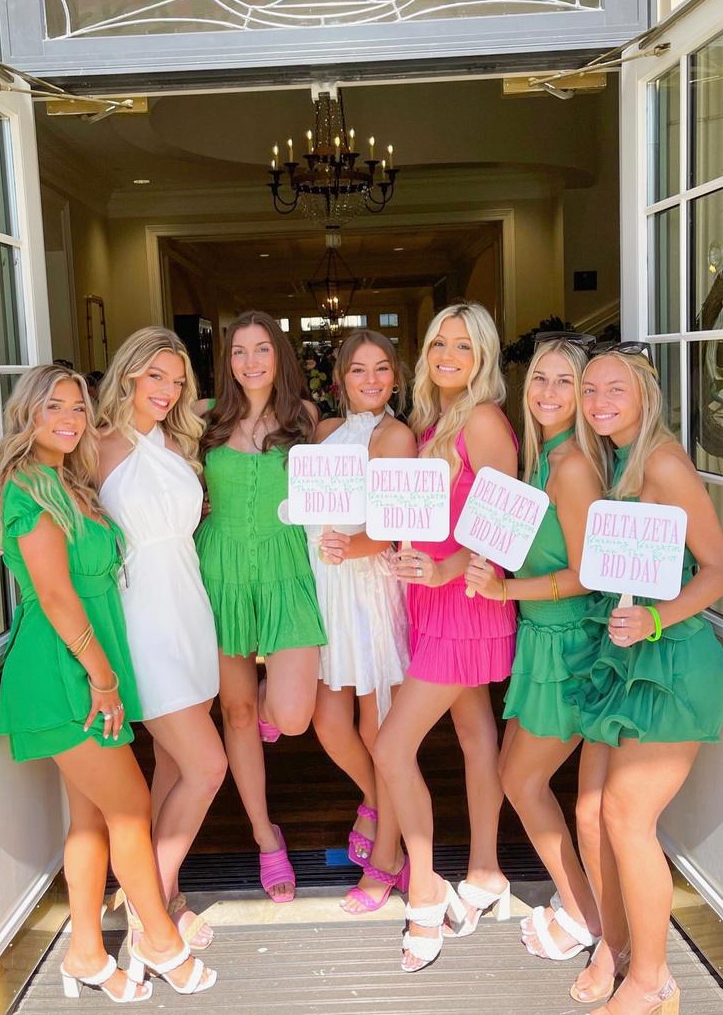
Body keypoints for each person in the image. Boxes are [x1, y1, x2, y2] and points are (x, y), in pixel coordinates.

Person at [0, 365, 215, 1002]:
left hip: (84, 666)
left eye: (77, 408)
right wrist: (104, 679)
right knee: (131, 808)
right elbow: (57, 597)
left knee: (90, 821)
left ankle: (86, 953)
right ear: (26, 415)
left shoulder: (67, 480)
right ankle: (159, 942)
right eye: (53, 407)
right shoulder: (26, 485)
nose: (69, 419)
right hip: (64, 670)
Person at [567, 345, 723, 1015]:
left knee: (627, 817)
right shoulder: (618, 457)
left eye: (615, 389)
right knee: (591, 812)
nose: (599, 401)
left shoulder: (662, 461)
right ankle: (619, 946)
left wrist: (656, 618)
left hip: (670, 660)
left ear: (645, 395)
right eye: (590, 389)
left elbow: (718, 568)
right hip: (626, 658)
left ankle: (653, 979)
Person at [373, 302, 517, 973]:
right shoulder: (435, 421)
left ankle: (426, 890)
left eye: (463, 345)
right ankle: (486, 871)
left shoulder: (483, 420)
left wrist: (441, 569)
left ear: (483, 355)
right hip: (433, 599)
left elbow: (502, 529)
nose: (448, 355)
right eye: (438, 343)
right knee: (474, 734)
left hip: (464, 603)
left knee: (391, 744)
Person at [465, 334, 604, 962]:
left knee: (522, 780)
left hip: (569, 641)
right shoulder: (540, 457)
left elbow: (588, 574)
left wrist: (505, 589)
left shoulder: (572, 466)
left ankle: (583, 916)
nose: (547, 392)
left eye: (564, 381)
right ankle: (583, 902)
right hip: (539, 638)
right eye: (540, 379)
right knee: (513, 774)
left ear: (583, 394)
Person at [96, 328, 226, 950]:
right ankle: (150, 920)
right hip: (140, 618)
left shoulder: (176, 442)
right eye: (156, 376)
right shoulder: (95, 445)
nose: (168, 391)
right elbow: (47, 511)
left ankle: (162, 898)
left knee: (173, 766)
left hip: (190, 611)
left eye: (177, 381)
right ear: (127, 374)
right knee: (208, 766)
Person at [195, 310, 327, 902]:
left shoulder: (306, 419)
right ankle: (264, 836)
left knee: (293, 714)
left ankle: (276, 712)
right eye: (239, 351)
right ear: (227, 361)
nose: (250, 362)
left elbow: (348, 473)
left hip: (286, 566)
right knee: (239, 712)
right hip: (219, 570)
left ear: (280, 356)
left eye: (262, 350)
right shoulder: (204, 418)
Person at [308, 330, 416, 912]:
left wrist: (351, 547)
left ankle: (390, 855)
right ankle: (374, 798)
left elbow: (396, 523)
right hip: (325, 587)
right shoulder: (325, 430)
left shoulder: (394, 435)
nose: (370, 380)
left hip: (368, 586)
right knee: (329, 722)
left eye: (381, 369)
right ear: (340, 378)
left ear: (395, 377)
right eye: (357, 369)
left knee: (380, 731)